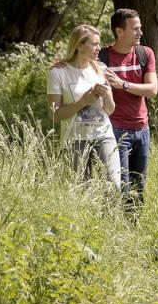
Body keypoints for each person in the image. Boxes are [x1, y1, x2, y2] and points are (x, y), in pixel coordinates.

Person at [46, 24, 119, 189]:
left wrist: (106, 94)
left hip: (104, 135)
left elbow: (110, 109)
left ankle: (112, 216)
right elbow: (54, 115)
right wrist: (82, 102)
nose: (98, 48)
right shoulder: (58, 73)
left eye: (98, 44)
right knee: (81, 190)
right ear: (79, 45)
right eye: (94, 44)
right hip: (75, 140)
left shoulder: (101, 69)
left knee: (113, 186)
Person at [99, 8, 158, 206]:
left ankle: (135, 228)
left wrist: (123, 84)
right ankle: (116, 228)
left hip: (142, 129)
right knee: (119, 186)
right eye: (135, 29)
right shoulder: (102, 58)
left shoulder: (145, 53)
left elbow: (152, 90)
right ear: (119, 31)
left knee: (138, 186)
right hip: (114, 130)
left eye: (140, 28)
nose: (140, 33)